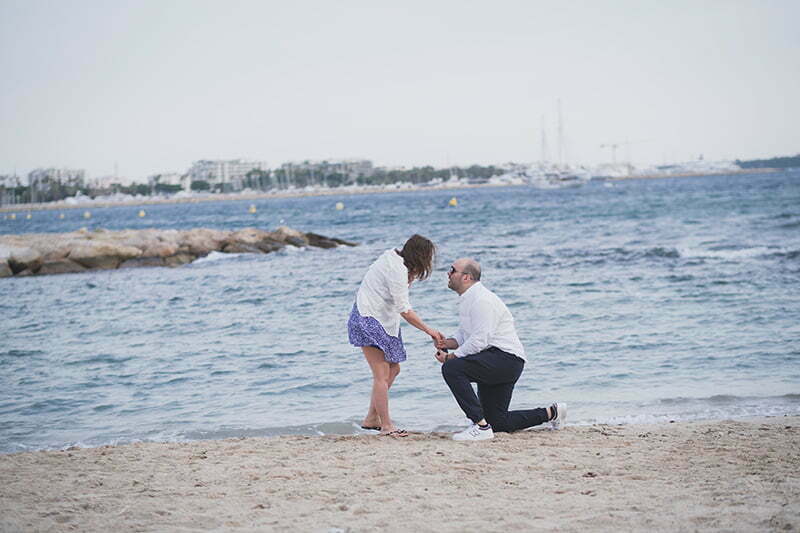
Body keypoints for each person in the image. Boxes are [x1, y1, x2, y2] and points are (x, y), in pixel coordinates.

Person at [434, 257, 566, 441]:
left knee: (452, 368)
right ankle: (551, 413)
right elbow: (465, 335)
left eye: (452, 270)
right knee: (497, 422)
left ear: (467, 277)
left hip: (505, 359)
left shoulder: (482, 300)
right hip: (496, 360)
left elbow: (480, 340)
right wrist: (447, 343)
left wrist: (451, 358)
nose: (448, 273)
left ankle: (479, 426)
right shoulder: (468, 299)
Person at [348, 234, 443, 437]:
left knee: (394, 369)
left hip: (380, 318)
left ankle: (371, 419)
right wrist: (429, 330)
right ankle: (386, 426)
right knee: (381, 375)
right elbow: (404, 309)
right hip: (369, 318)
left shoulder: (393, 258)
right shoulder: (397, 269)